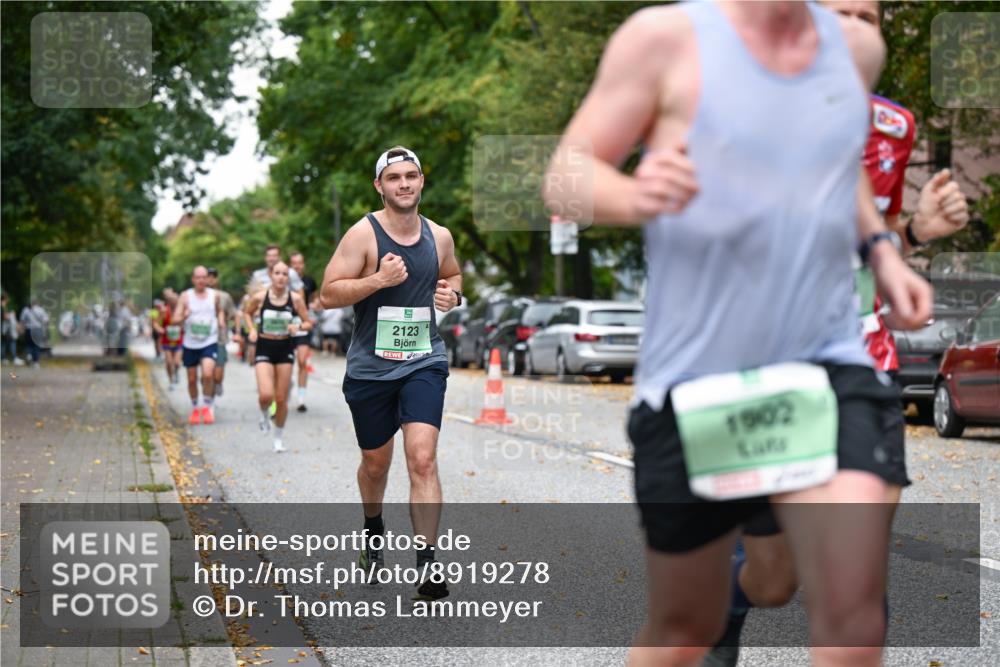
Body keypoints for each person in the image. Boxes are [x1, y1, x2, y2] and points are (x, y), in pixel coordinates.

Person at [543, 1, 934, 664]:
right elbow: (563, 178)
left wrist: (882, 249)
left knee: (853, 608)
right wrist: (634, 196)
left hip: (826, 364)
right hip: (699, 382)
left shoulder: (855, 49)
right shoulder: (663, 39)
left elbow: (842, 163)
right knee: (685, 627)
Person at [701, 3, 971, 664]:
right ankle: (724, 608)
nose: (852, 28)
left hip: (862, 359)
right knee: (774, 580)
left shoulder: (892, 127)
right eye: (837, 13)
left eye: (866, 17)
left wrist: (917, 232)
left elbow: (873, 243)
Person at [320, 146, 462, 601]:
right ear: (379, 186)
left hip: (424, 361)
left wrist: (452, 296)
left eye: (411, 176)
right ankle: (373, 528)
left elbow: (453, 275)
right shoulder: (363, 234)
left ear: (421, 182)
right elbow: (328, 294)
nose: (404, 184)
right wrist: (377, 281)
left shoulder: (439, 236)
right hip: (371, 370)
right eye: (395, 177)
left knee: (422, 458)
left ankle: (427, 564)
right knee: (376, 464)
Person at [243, 261, 313, 452]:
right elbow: (247, 313)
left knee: (281, 399)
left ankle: (278, 439)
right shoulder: (260, 297)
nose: (281, 277)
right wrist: (252, 330)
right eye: (277, 273)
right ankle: (264, 414)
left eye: (284, 274)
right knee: (266, 395)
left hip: (284, 348)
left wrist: (298, 326)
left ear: (288, 278)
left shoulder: (295, 299)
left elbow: (308, 323)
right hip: (264, 347)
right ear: (271, 275)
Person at [173, 266, 226, 425]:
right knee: (191, 379)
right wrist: (184, 316)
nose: (201, 280)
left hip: (209, 341)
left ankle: (207, 406)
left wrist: (221, 320)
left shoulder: (214, 295)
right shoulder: (185, 296)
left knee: (208, 374)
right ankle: (196, 407)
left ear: (207, 279)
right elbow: (175, 319)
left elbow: (220, 311)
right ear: (193, 279)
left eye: (204, 277)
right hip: (190, 343)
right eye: (198, 277)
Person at [289, 252, 318, 412]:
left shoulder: (309, 281)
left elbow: (313, 299)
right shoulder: (285, 280)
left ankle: (301, 400)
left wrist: (314, 309)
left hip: (303, 323)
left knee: (301, 361)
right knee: (286, 363)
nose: (297, 266)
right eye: (294, 263)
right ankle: (287, 384)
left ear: (303, 264)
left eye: (299, 263)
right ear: (290, 264)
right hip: (286, 325)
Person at [206, 268, 239, 399]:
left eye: (213, 277)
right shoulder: (198, 296)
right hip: (202, 340)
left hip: (219, 338)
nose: (210, 279)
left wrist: (237, 332)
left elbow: (234, 315)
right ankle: (209, 402)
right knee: (207, 373)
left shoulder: (225, 296)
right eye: (207, 276)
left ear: (217, 279)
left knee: (217, 375)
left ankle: (218, 383)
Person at [156, 288, 183, 389]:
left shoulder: (181, 311)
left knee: (177, 362)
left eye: (176, 300)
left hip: (179, 341)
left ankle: (176, 372)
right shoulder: (164, 310)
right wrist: (160, 329)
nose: (174, 302)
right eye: (172, 300)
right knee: (168, 362)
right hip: (167, 341)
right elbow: (156, 323)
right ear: (168, 301)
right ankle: (171, 381)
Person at [19, 299, 49, 368]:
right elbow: (46, 320)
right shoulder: (40, 310)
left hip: (28, 329)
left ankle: (29, 355)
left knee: (29, 344)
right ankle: (36, 362)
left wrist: (21, 329)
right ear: (37, 303)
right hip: (37, 329)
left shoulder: (25, 310)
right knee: (36, 346)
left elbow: (22, 320)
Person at [1, 292, 20, 365]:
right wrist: (11, 314)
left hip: (4, 328)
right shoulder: (2, 307)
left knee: (4, 343)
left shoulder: (3, 307)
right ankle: (12, 358)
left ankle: (4, 358)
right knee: (10, 342)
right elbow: (4, 317)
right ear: (5, 298)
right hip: (4, 328)